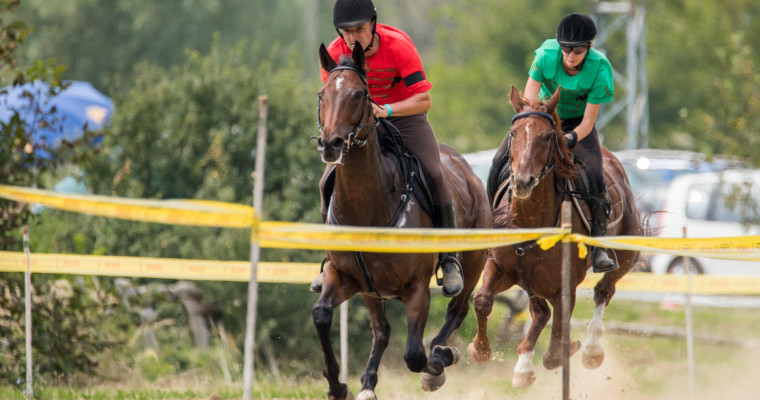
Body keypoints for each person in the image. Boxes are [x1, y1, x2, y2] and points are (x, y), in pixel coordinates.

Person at [309, 0, 464, 296]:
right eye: (346, 32)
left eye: (359, 29)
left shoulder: (398, 46)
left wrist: (387, 110)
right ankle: (329, 259)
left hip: (403, 116)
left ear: (373, 24)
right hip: (359, 123)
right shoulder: (332, 53)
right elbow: (335, 99)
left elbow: (424, 100)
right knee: (325, 181)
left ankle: (449, 258)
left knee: (434, 172)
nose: (353, 37)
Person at [523, 12, 618, 273]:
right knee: (502, 159)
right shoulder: (545, 56)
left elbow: (588, 122)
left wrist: (569, 138)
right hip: (543, 115)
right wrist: (537, 126)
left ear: (589, 47)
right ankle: (491, 226)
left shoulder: (599, 70)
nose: (570, 54)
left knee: (597, 176)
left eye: (577, 49)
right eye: (565, 48)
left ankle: (598, 249)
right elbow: (529, 98)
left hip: (578, 126)